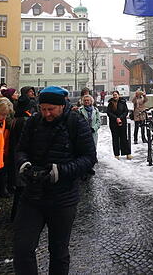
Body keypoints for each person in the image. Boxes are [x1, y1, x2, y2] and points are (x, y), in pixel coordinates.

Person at [13, 86, 96, 275]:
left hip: (63, 198)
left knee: (58, 252)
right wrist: (25, 165)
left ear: (62, 106)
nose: (46, 113)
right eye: (42, 109)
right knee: (22, 248)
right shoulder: (34, 121)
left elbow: (89, 157)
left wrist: (60, 171)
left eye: (51, 109)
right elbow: (20, 149)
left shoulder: (76, 123)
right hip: (32, 196)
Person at [105, 90, 131, 159]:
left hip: (122, 122)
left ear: (119, 95)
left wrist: (120, 118)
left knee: (124, 138)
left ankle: (127, 153)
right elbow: (108, 113)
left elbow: (126, 111)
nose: (115, 96)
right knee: (115, 139)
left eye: (116, 94)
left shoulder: (123, 102)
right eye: (113, 95)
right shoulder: (110, 103)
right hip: (113, 123)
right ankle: (116, 154)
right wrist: (116, 118)